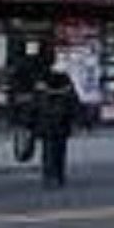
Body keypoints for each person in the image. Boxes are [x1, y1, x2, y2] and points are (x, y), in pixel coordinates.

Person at [34, 58, 77, 189]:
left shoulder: (42, 84)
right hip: (62, 123)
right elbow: (73, 104)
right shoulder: (67, 84)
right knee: (60, 150)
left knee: (48, 150)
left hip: (46, 123)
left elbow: (35, 105)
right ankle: (58, 175)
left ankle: (48, 175)